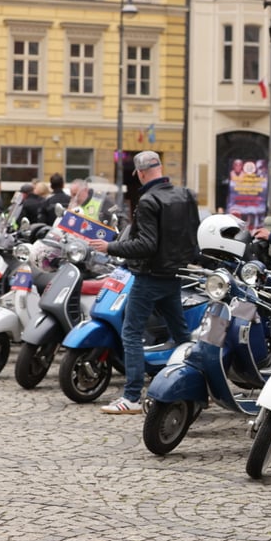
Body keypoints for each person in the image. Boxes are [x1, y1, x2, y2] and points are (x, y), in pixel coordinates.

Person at [88, 150, 200, 414]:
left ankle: (132, 397)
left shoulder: (149, 200)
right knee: (181, 335)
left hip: (149, 276)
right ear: (159, 168)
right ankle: (194, 388)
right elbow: (193, 236)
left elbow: (146, 245)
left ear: (140, 173)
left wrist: (110, 247)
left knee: (131, 333)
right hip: (175, 275)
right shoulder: (185, 195)